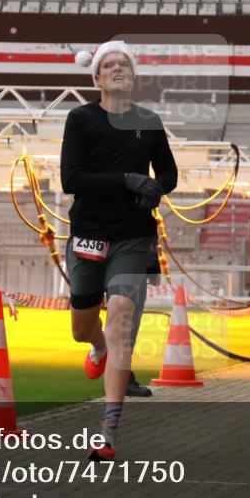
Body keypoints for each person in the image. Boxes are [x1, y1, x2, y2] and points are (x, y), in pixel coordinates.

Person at [60, 40, 178, 461]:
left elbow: (169, 171)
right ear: (96, 78)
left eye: (123, 64)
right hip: (89, 235)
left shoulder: (149, 121)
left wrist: (155, 188)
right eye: (108, 64)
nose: (116, 69)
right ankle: (98, 347)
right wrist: (127, 179)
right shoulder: (80, 119)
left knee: (123, 317)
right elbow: (71, 179)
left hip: (133, 238)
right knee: (82, 328)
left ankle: (108, 435)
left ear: (133, 74)